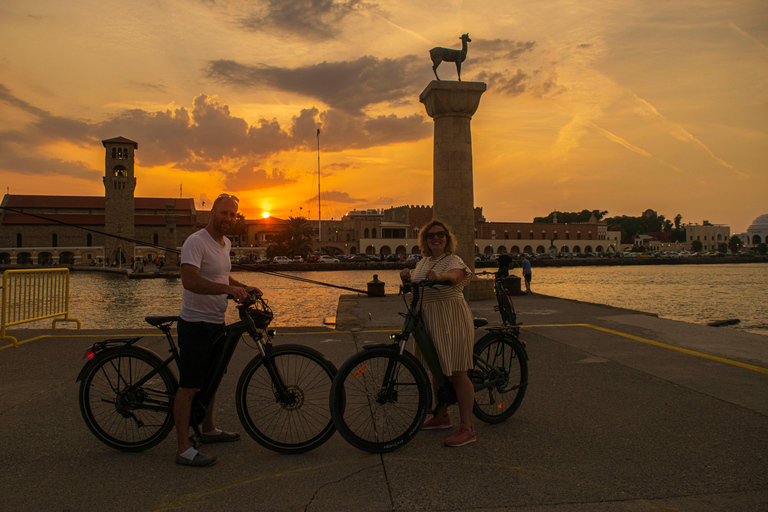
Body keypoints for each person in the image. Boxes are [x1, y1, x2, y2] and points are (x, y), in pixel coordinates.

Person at [174, 193, 262, 467]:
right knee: (189, 386)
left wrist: (243, 286)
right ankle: (183, 448)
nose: (228, 218)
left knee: (212, 379)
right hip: (195, 323)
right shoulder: (196, 242)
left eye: (233, 214)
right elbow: (189, 281)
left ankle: (209, 429)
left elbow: (221, 277)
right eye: (224, 213)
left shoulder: (225, 244)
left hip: (216, 322)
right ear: (211, 213)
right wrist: (228, 290)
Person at [399, 220, 477, 447]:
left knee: (458, 373)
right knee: (436, 369)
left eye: (441, 234)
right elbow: (417, 281)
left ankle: (468, 427)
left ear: (447, 238)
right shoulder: (423, 263)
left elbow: (455, 276)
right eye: (431, 235)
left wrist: (441, 277)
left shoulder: (453, 260)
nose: (436, 238)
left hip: (451, 317)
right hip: (428, 319)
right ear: (424, 240)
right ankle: (441, 415)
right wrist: (406, 278)